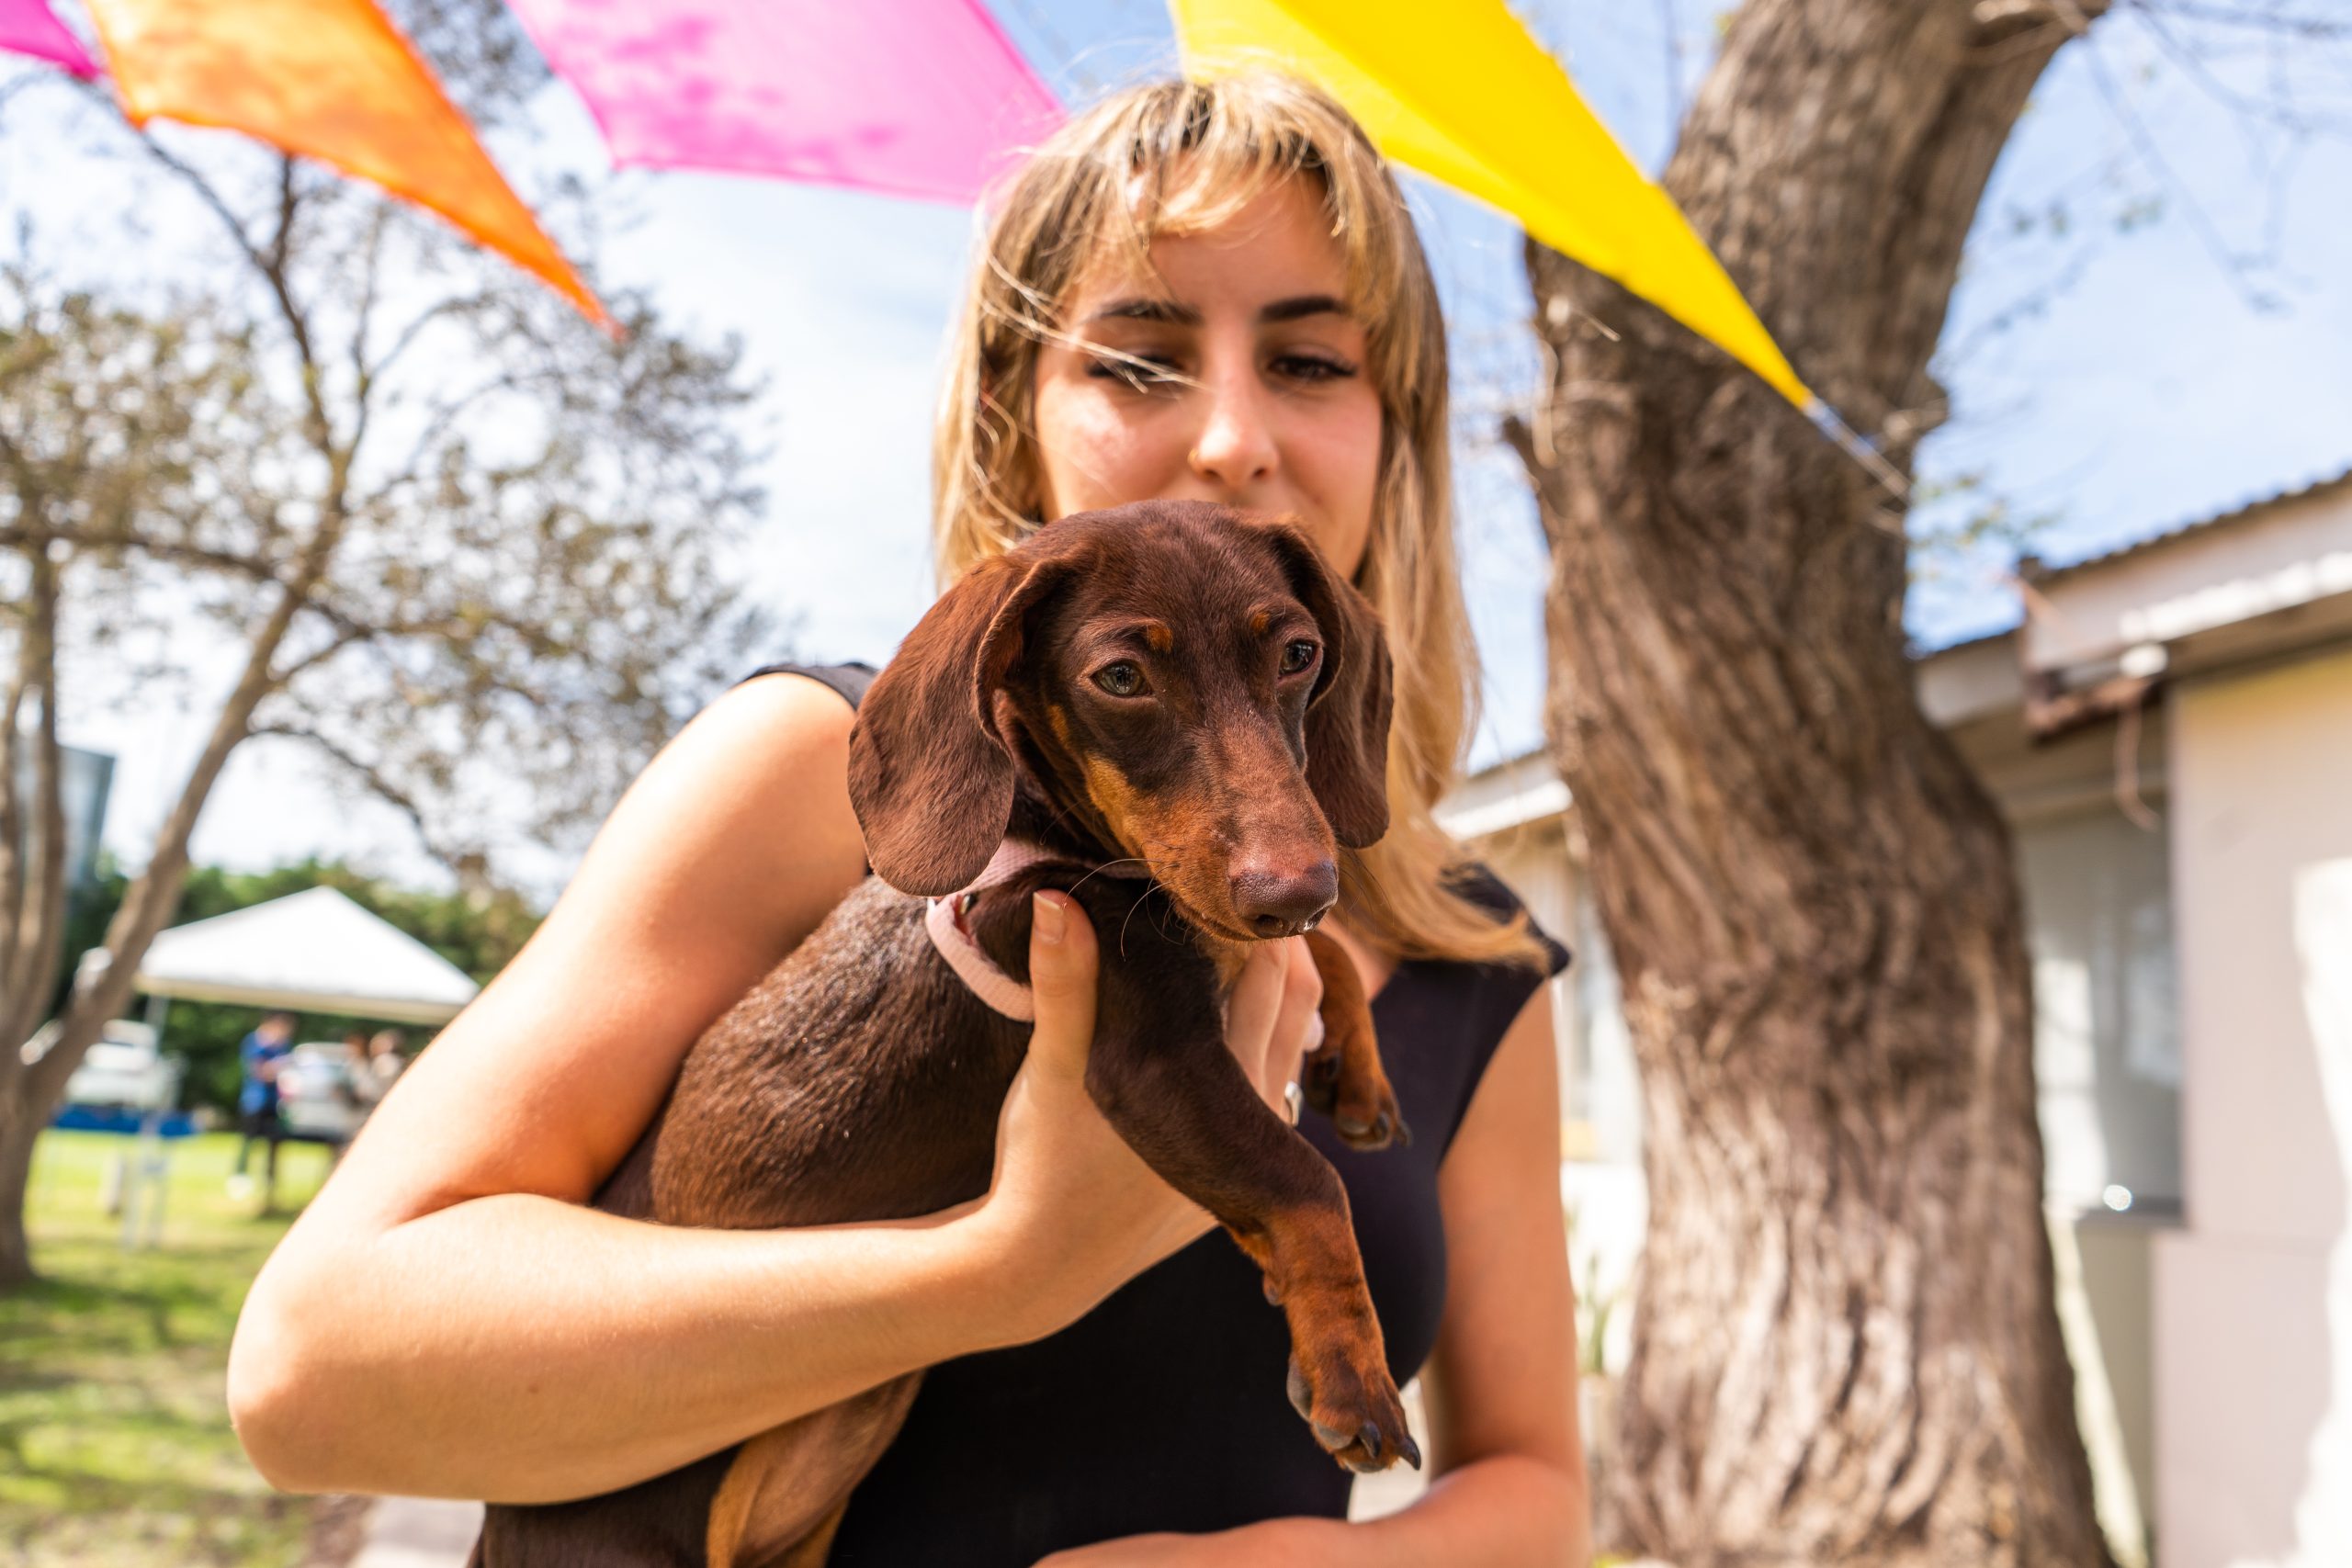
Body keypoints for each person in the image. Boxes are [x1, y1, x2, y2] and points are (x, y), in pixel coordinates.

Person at [230, 73, 1590, 1564]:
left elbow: (1535, 1490)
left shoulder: (1475, 952)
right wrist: (999, 1269)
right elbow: (310, 1374)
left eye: (1311, 359)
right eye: (1138, 361)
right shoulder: (813, 773)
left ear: (1398, 428)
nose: (1229, 435)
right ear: (1012, 413)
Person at [228, 1011, 296, 1199]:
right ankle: (240, 1177)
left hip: (275, 1103)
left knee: (274, 1143)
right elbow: (259, 1071)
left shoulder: (283, 1045)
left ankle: (269, 1182)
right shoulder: (256, 1042)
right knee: (248, 1140)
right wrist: (277, 1067)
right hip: (255, 1101)